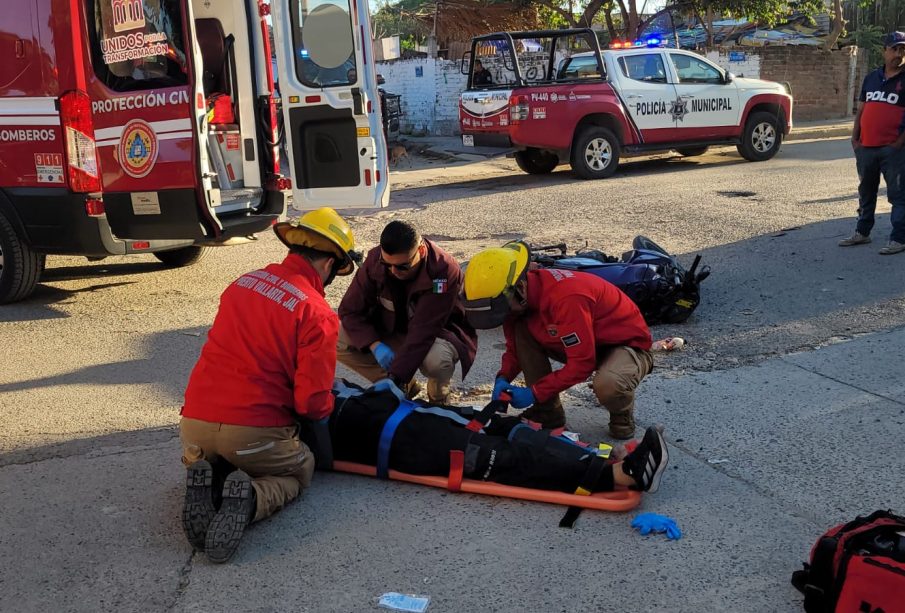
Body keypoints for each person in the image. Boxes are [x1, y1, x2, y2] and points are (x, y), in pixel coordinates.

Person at [178, 207, 359, 564]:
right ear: (328, 265)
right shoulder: (317, 312)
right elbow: (311, 404)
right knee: (298, 469)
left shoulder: (242, 283)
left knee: (221, 457)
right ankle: (251, 499)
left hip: (194, 427)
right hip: (253, 434)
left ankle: (209, 477)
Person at [327, 381, 668, 497]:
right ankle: (619, 475)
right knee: (489, 454)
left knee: (503, 426)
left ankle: (599, 455)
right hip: (387, 434)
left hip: (398, 413)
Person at [462, 241, 653, 440]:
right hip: (586, 341)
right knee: (521, 331)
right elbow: (515, 350)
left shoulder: (567, 299)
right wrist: (503, 377)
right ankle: (548, 413)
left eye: (504, 309)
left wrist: (535, 392)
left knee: (608, 384)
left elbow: (581, 364)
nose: (504, 316)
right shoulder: (515, 301)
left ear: (520, 287)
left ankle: (622, 415)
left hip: (625, 346)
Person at [337, 221, 477, 404]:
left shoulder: (443, 271)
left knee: (436, 361)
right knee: (335, 338)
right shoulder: (375, 260)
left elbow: (424, 330)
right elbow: (349, 310)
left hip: (437, 332)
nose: (394, 271)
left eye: (402, 266)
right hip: (393, 326)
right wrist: (374, 344)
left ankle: (439, 400)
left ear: (420, 251)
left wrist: (397, 375)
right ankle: (403, 386)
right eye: (387, 264)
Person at [839, 31, 905, 256]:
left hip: (893, 149)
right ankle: (862, 232)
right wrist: (855, 137)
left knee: (898, 194)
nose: (899, 54)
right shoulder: (872, 78)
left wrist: (899, 143)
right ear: (885, 51)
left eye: (903, 50)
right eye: (895, 49)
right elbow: (862, 109)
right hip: (866, 147)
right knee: (866, 191)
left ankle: (898, 238)